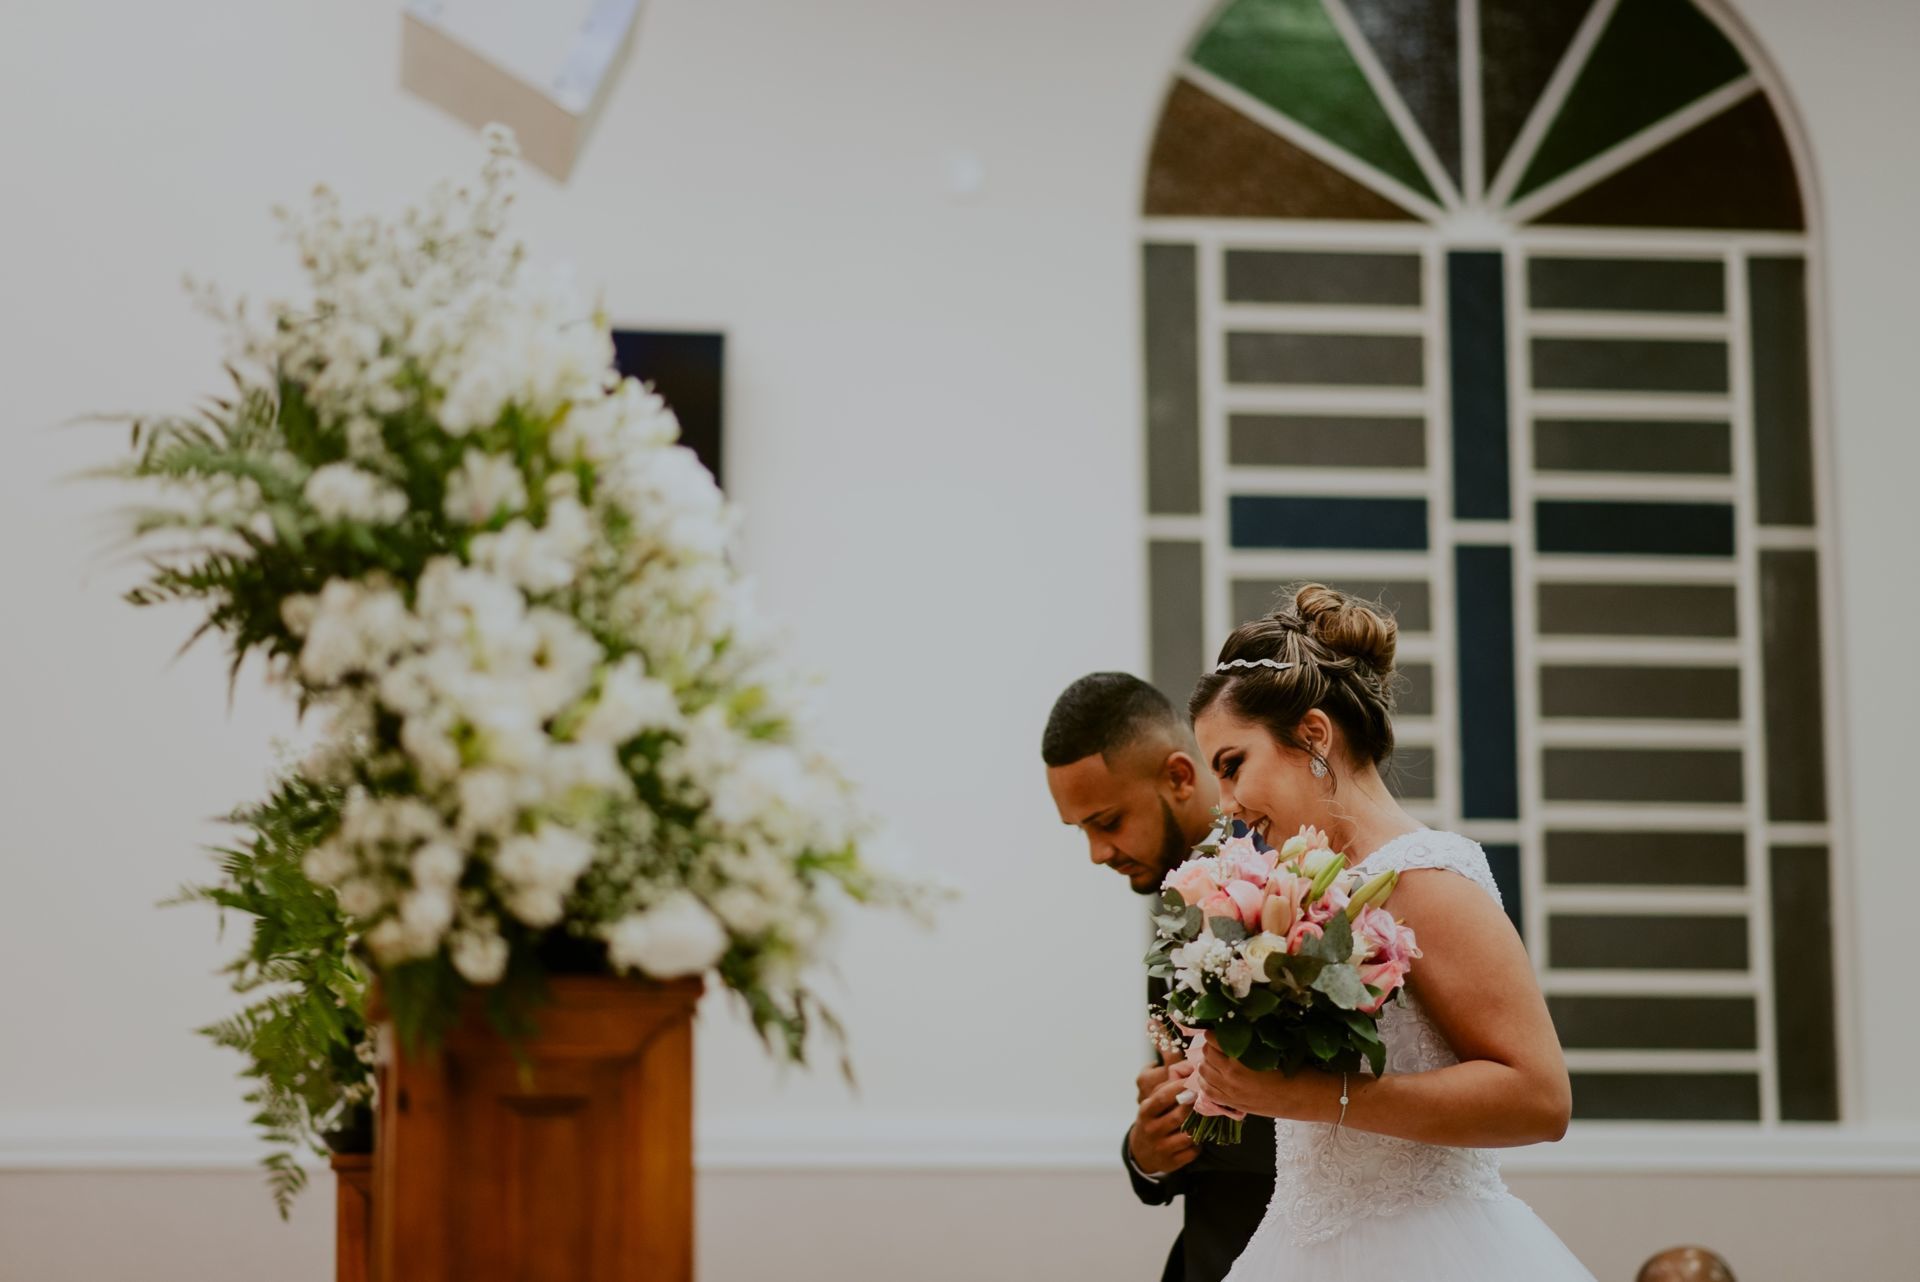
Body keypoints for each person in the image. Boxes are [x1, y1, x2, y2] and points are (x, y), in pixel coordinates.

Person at [1180, 584, 1596, 1281]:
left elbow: (1540, 1098)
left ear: (1313, 734)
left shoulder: (1426, 874)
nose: (1227, 807)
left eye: (1233, 766)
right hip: (1300, 1243)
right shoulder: (1301, 892)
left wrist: (1302, 1096)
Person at [1042, 674, 1275, 1282]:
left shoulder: (1293, 882)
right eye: (1083, 831)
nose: (1097, 852)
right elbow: (1180, 1097)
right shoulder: (1176, 904)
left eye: (1108, 821)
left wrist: (1216, 1103)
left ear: (1178, 776)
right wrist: (1147, 1150)